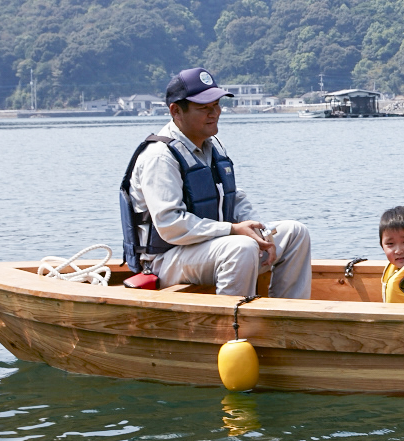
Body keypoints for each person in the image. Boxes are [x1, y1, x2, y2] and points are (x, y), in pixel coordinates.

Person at [118, 67, 312, 298]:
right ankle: (233, 318)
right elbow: (170, 224)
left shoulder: (212, 146)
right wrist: (232, 230)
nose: (215, 113)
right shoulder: (160, 156)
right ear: (176, 111)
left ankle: (287, 314)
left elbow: (234, 197)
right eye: (204, 108)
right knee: (242, 247)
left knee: (295, 233)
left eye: (217, 105)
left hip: (210, 248)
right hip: (165, 260)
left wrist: (258, 231)